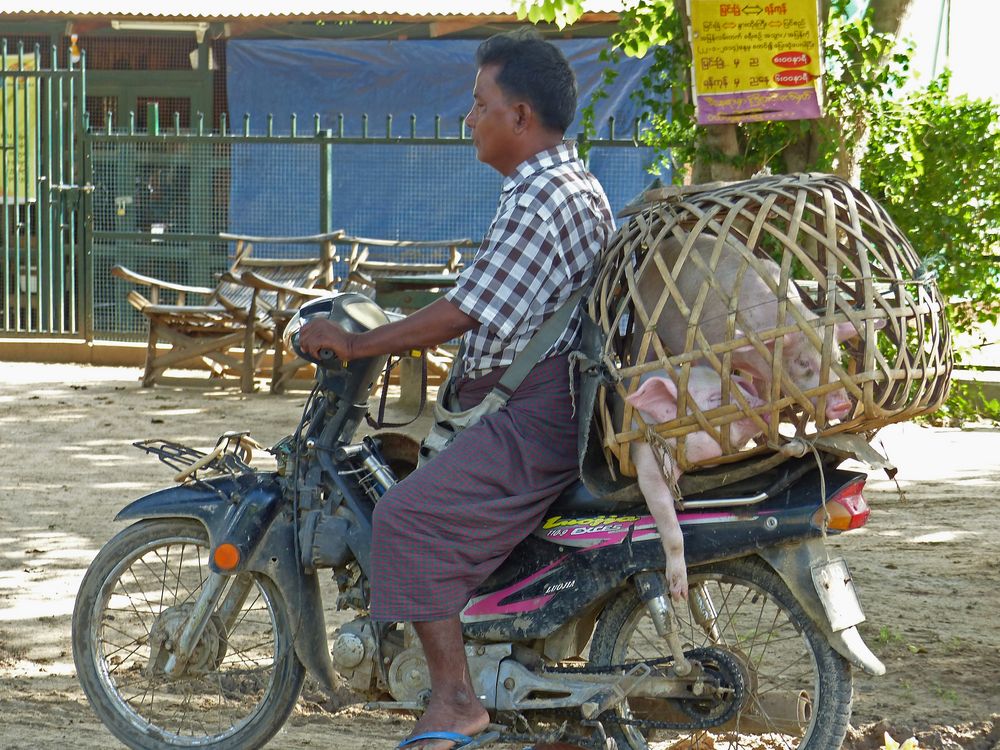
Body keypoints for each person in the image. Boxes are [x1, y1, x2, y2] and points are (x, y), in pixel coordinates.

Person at [298, 28, 613, 750]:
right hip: (539, 404)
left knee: (404, 519)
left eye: (478, 104)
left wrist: (356, 343)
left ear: (520, 116)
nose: (466, 118)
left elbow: (465, 310)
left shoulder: (541, 198)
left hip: (535, 418)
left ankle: (454, 700)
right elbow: (486, 293)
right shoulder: (561, 183)